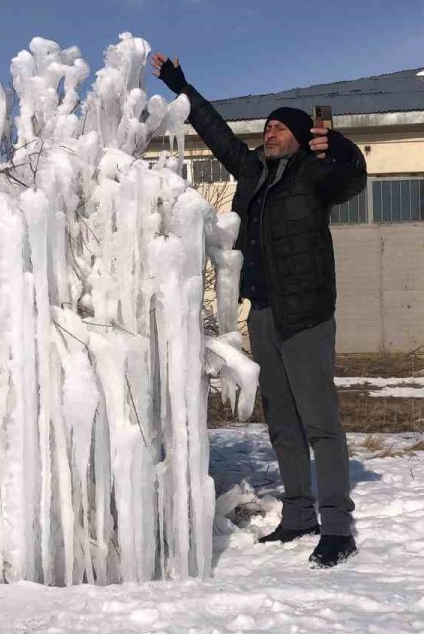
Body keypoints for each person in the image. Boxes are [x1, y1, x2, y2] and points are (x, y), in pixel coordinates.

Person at [151, 53, 368, 568]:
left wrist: (337, 146)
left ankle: (337, 525)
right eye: (267, 127)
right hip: (264, 313)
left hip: (307, 313)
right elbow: (218, 133)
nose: (270, 133)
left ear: (298, 136)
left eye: (279, 128)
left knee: (320, 422)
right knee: (282, 424)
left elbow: (353, 178)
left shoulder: (316, 175)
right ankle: (299, 514)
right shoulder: (252, 174)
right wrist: (181, 85)